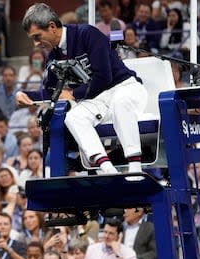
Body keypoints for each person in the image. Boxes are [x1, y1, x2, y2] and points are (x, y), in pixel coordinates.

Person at [16, 3, 148, 175]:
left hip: (125, 87)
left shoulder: (87, 34)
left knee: (120, 103)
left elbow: (103, 76)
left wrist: (72, 94)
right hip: (98, 100)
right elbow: (52, 91)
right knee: (73, 117)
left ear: (52, 27)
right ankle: (108, 170)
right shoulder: (53, 56)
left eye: (37, 36)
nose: (35, 43)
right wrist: (25, 95)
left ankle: (135, 169)